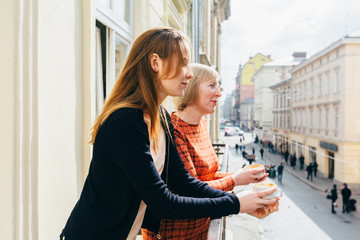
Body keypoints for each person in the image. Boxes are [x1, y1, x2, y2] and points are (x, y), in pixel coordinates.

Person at [59, 28, 279, 240]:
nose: (189, 73)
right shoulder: (124, 121)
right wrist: (237, 204)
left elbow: (184, 183)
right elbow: (163, 203)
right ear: (156, 63)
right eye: (183, 63)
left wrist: (244, 201)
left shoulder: (160, 116)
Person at [142, 63, 273, 239]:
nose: (219, 92)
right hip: (175, 233)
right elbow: (187, 189)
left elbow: (205, 178)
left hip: (201, 227)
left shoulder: (202, 123)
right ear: (191, 87)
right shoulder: (173, 129)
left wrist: (239, 176)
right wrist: (235, 182)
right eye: (212, 85)